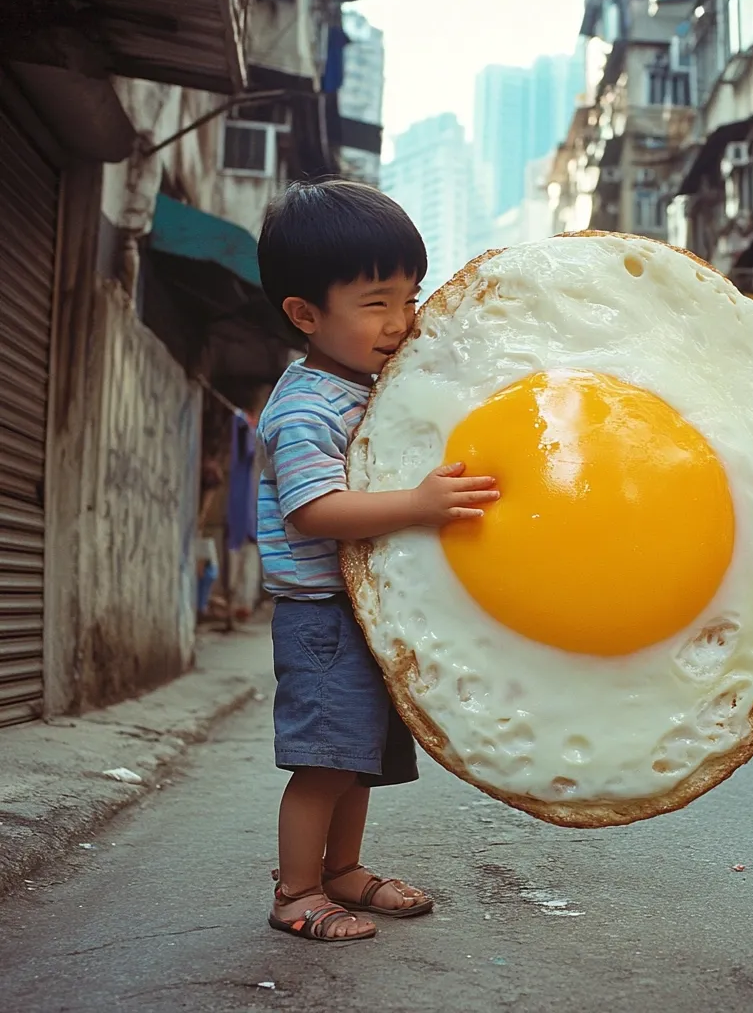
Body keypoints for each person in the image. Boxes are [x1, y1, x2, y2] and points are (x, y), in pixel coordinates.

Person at [255, 181, 500, 942]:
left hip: (364, 608)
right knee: (325, 760)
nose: (402, 322)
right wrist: (420, 506)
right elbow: (315, 510)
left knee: (358, 758)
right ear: (306, 315)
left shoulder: (365, 387)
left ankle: (343, 872)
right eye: (377, 303)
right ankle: (297, 891)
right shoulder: (305, 409)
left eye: (411, 296)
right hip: (322, 614)